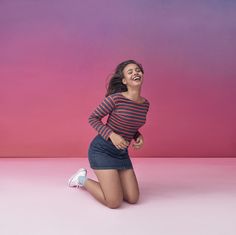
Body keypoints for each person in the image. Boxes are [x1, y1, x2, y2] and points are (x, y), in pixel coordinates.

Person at [68, 59, 150, 209]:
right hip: (102, 150)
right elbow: (92, 118)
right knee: (114, 202)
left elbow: (130, 125)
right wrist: (112, 135)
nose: (135, 73)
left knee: (133, 198)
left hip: (121, 153)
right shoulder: (115, 99)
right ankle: (81, 179)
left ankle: (113, 180)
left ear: (142, 76)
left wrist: (137, 136)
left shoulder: (145, 104)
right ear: (124, 80)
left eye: (138, 70)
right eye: (130, 72)